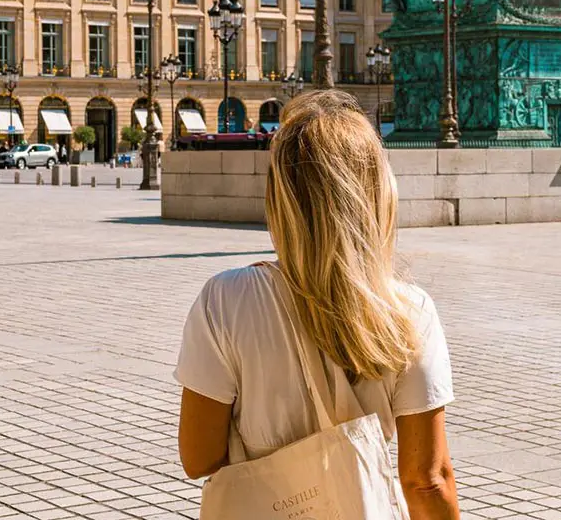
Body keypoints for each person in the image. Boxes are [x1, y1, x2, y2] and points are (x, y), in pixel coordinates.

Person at [175, 90, 458, 517]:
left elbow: (198, 458)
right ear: (376, 193)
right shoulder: (408, 311)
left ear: (280, 197)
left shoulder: (226, 300)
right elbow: (426, 480)